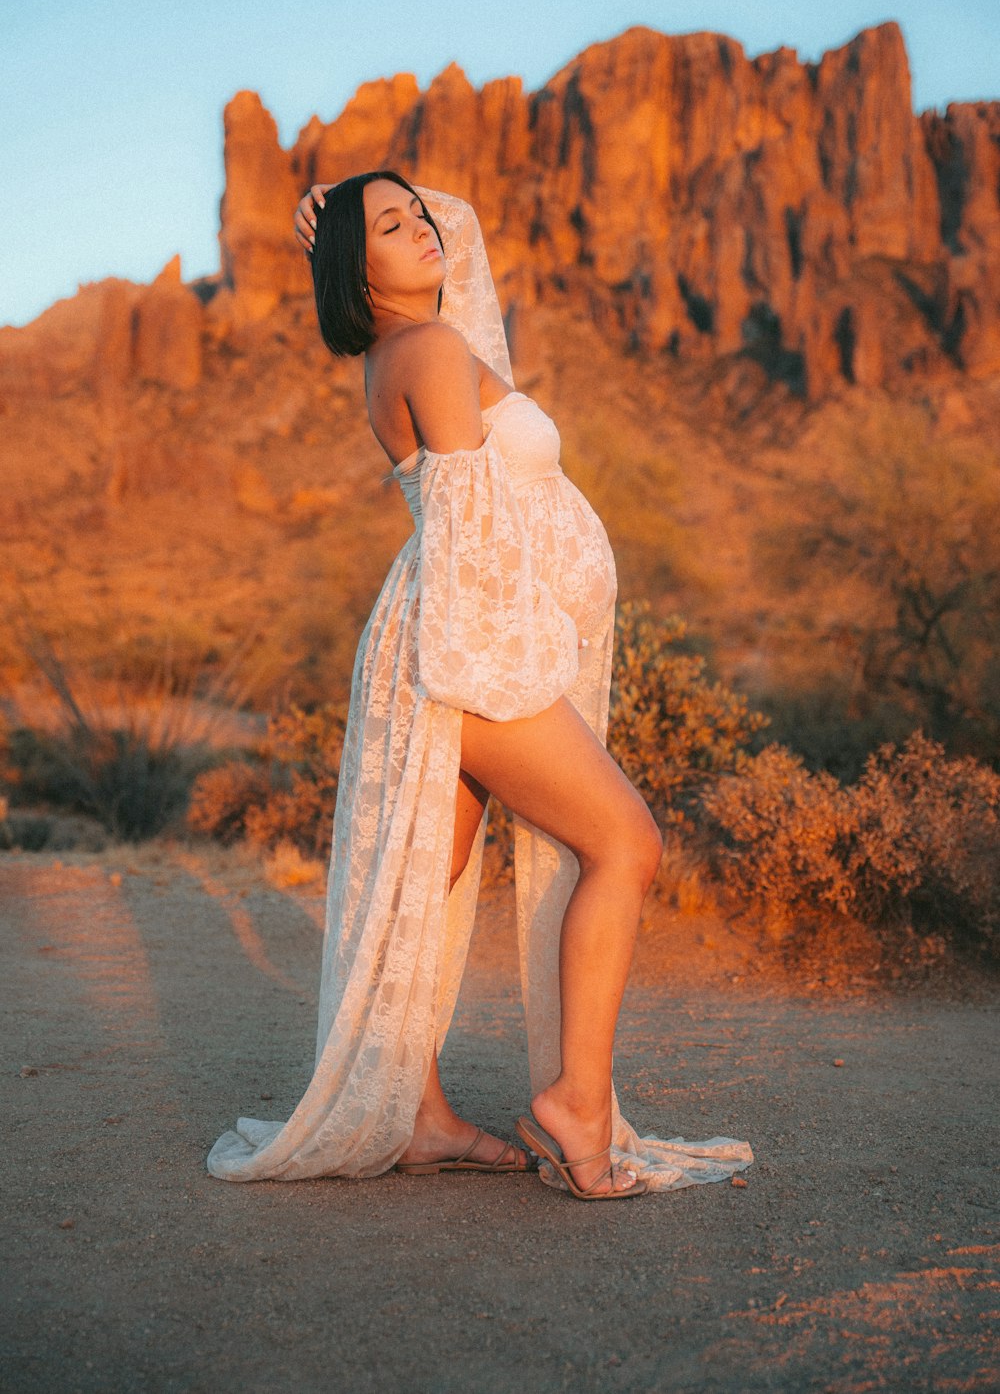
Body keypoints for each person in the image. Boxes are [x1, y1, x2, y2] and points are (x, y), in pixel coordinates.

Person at [206, 172, 753, 1199]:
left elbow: (455, 229)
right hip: (467, 648)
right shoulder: (429, 350)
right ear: (352, 270)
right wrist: (516, 669)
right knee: (626, 842)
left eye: (416, 215)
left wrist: (354, 204)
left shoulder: (425, 343)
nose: (420, 230)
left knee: (427, 884)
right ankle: (575, 1106)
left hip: (447, 639)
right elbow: (468, 532)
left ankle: (418, 1115)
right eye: (388, 227)